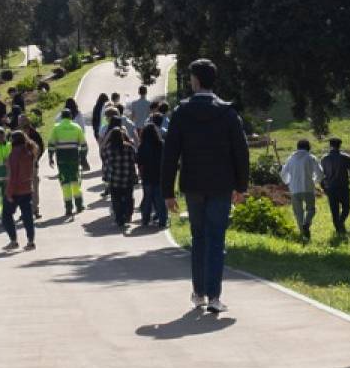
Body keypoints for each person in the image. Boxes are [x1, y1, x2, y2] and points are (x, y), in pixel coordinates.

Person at [159, 58, 250, 315]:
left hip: (193, 185)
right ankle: (214, 296)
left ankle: (198, 293)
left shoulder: (181, 112)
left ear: (195, 81)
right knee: (216, 238)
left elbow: (170, 154)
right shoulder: (228, 113)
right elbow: (241, 152)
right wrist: (241, 186)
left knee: (198, 237)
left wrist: (167, 191)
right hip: (221, 185)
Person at [0, 128, 41, 249]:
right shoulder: (29, 152)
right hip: (27, 188)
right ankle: (30, 241)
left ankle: (13, 241)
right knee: (27, 216)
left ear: (13, 140)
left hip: (16, 190)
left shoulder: (14, 154)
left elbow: (13, 176)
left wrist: (9, 192)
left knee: (6, 215)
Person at [48, 104, 89, 216]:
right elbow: (84, 145)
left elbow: (51, 144)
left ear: (61, 117)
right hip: (74, 159)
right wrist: (83, 157)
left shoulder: (56, 128)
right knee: (75, 180)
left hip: (61, 160)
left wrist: (50, 157)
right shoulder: (76, 127)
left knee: (65, 183)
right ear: (71, 116)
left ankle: (68, 208)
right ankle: (79, 205)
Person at [281, 138, 324, 241]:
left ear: (298, 147)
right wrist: (314, 181)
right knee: (311, 210)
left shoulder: (290, 158)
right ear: (308, 147)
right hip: (308, 188)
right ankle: (307, 223)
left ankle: (303, 235)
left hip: (295, 190)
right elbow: (320, 173)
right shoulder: (311, 158)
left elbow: (283, 173)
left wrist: (287, 182)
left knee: (298, 213)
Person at [101, 114, 139, 227]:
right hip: (128, 177)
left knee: (116, 199)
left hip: (114, 178)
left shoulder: (108, 148)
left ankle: (119, 218)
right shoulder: (129, 147)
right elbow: (135, 158)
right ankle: (128, 214)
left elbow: (103, 156)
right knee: (129, 197)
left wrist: (107, 138)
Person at [319, 136, 350, 239]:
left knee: (334, 210)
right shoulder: (346, 157)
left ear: (330, 145)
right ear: (340, 145)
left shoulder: (324, 159)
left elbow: (322, 175)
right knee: (346, 208)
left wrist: (324, 187)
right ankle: (341, 223)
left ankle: (338, 229)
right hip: (343, 187)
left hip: (331, 188)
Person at [135, 113, 167, 228]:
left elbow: (138, 160)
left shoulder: (142, 146)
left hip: (147, 176)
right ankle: (163, 220)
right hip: (159, 175)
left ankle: (145, 220)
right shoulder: (161, 144)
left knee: (147, 199)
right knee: (160, 200)